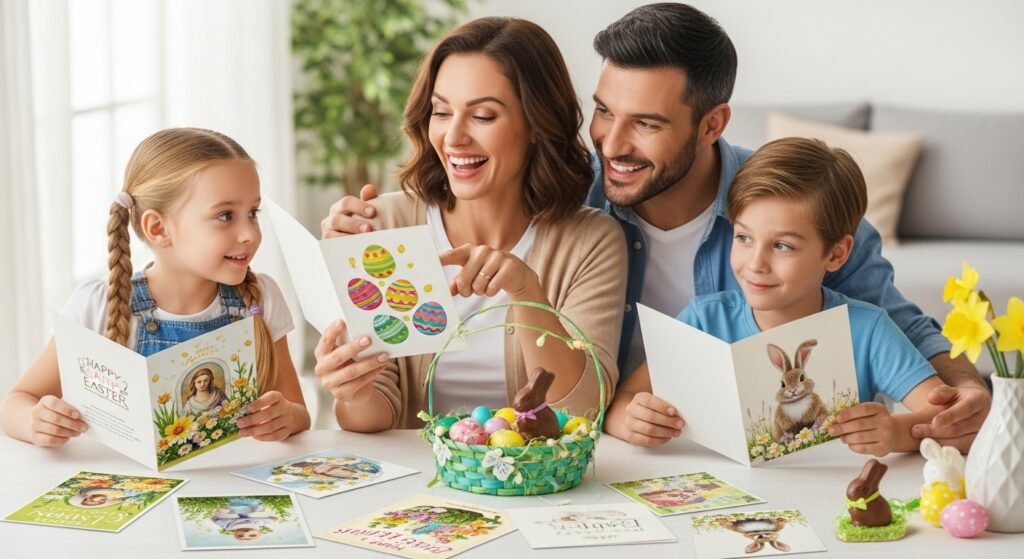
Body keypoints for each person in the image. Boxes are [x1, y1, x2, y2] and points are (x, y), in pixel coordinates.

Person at [321, 4, 990, 446]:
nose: (611, 143)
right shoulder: (574, 193)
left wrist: (969, 392)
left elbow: (899, 325)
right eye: (605, 111)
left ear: (712, 124)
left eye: (645, 123)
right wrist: (359, 229)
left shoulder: (789, 209)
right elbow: (467, 173)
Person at [313, 17, 627, 431]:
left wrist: (525, 290)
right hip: (417, 482)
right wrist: (353, 390)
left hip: (537, 486)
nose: (453, 137)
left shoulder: (590, 241)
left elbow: (583, 409)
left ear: (536, 124)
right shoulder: (385, 225)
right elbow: (375, 418)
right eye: (441, 112)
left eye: (482, 115)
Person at [609, 138, 958, 455]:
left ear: (836, 254)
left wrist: (897, 433)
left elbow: (950, 421)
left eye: (782, 246)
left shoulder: (868, 330)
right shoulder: (703, 319)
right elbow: (622, 400)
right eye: (744, 238)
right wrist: (632, 420)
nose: (756, 264)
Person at [0, 128, 310, 446]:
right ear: (159, 228)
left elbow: (298, 411)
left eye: (253, 213)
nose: (249, 233)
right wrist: (35, 420)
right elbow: (17, 401)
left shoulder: (260, 298)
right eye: (226, 215)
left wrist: (286, 417)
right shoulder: (98, 306)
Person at [211, 497, 278, 541]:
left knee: (226, 510)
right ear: (259, 532)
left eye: (240, 535)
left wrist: (220, 514)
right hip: (252, 505)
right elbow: (269, 520)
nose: (246, 533)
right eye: (252, 535)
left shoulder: (228, 526)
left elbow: (216, 520)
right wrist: (273, 520)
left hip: (234, 507)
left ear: (234, 533)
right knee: (260, 510)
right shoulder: (259, 523)